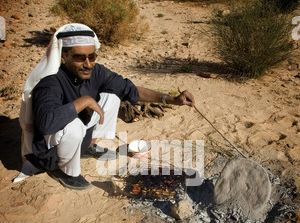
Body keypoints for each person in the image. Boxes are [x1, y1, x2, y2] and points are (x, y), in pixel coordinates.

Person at [18, 23, 195, 190]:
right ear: (63, 57)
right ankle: (64, 170)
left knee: (112, 97)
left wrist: (171, 99)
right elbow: (47, 123)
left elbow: (130, 89)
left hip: (78, 136)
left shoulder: (97, 72)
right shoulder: (50, 81)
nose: (87, 64)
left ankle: (88, 146)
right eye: (80, 57)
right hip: (51, 152)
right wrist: (84, 101)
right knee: (74, 125)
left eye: (92, 56)